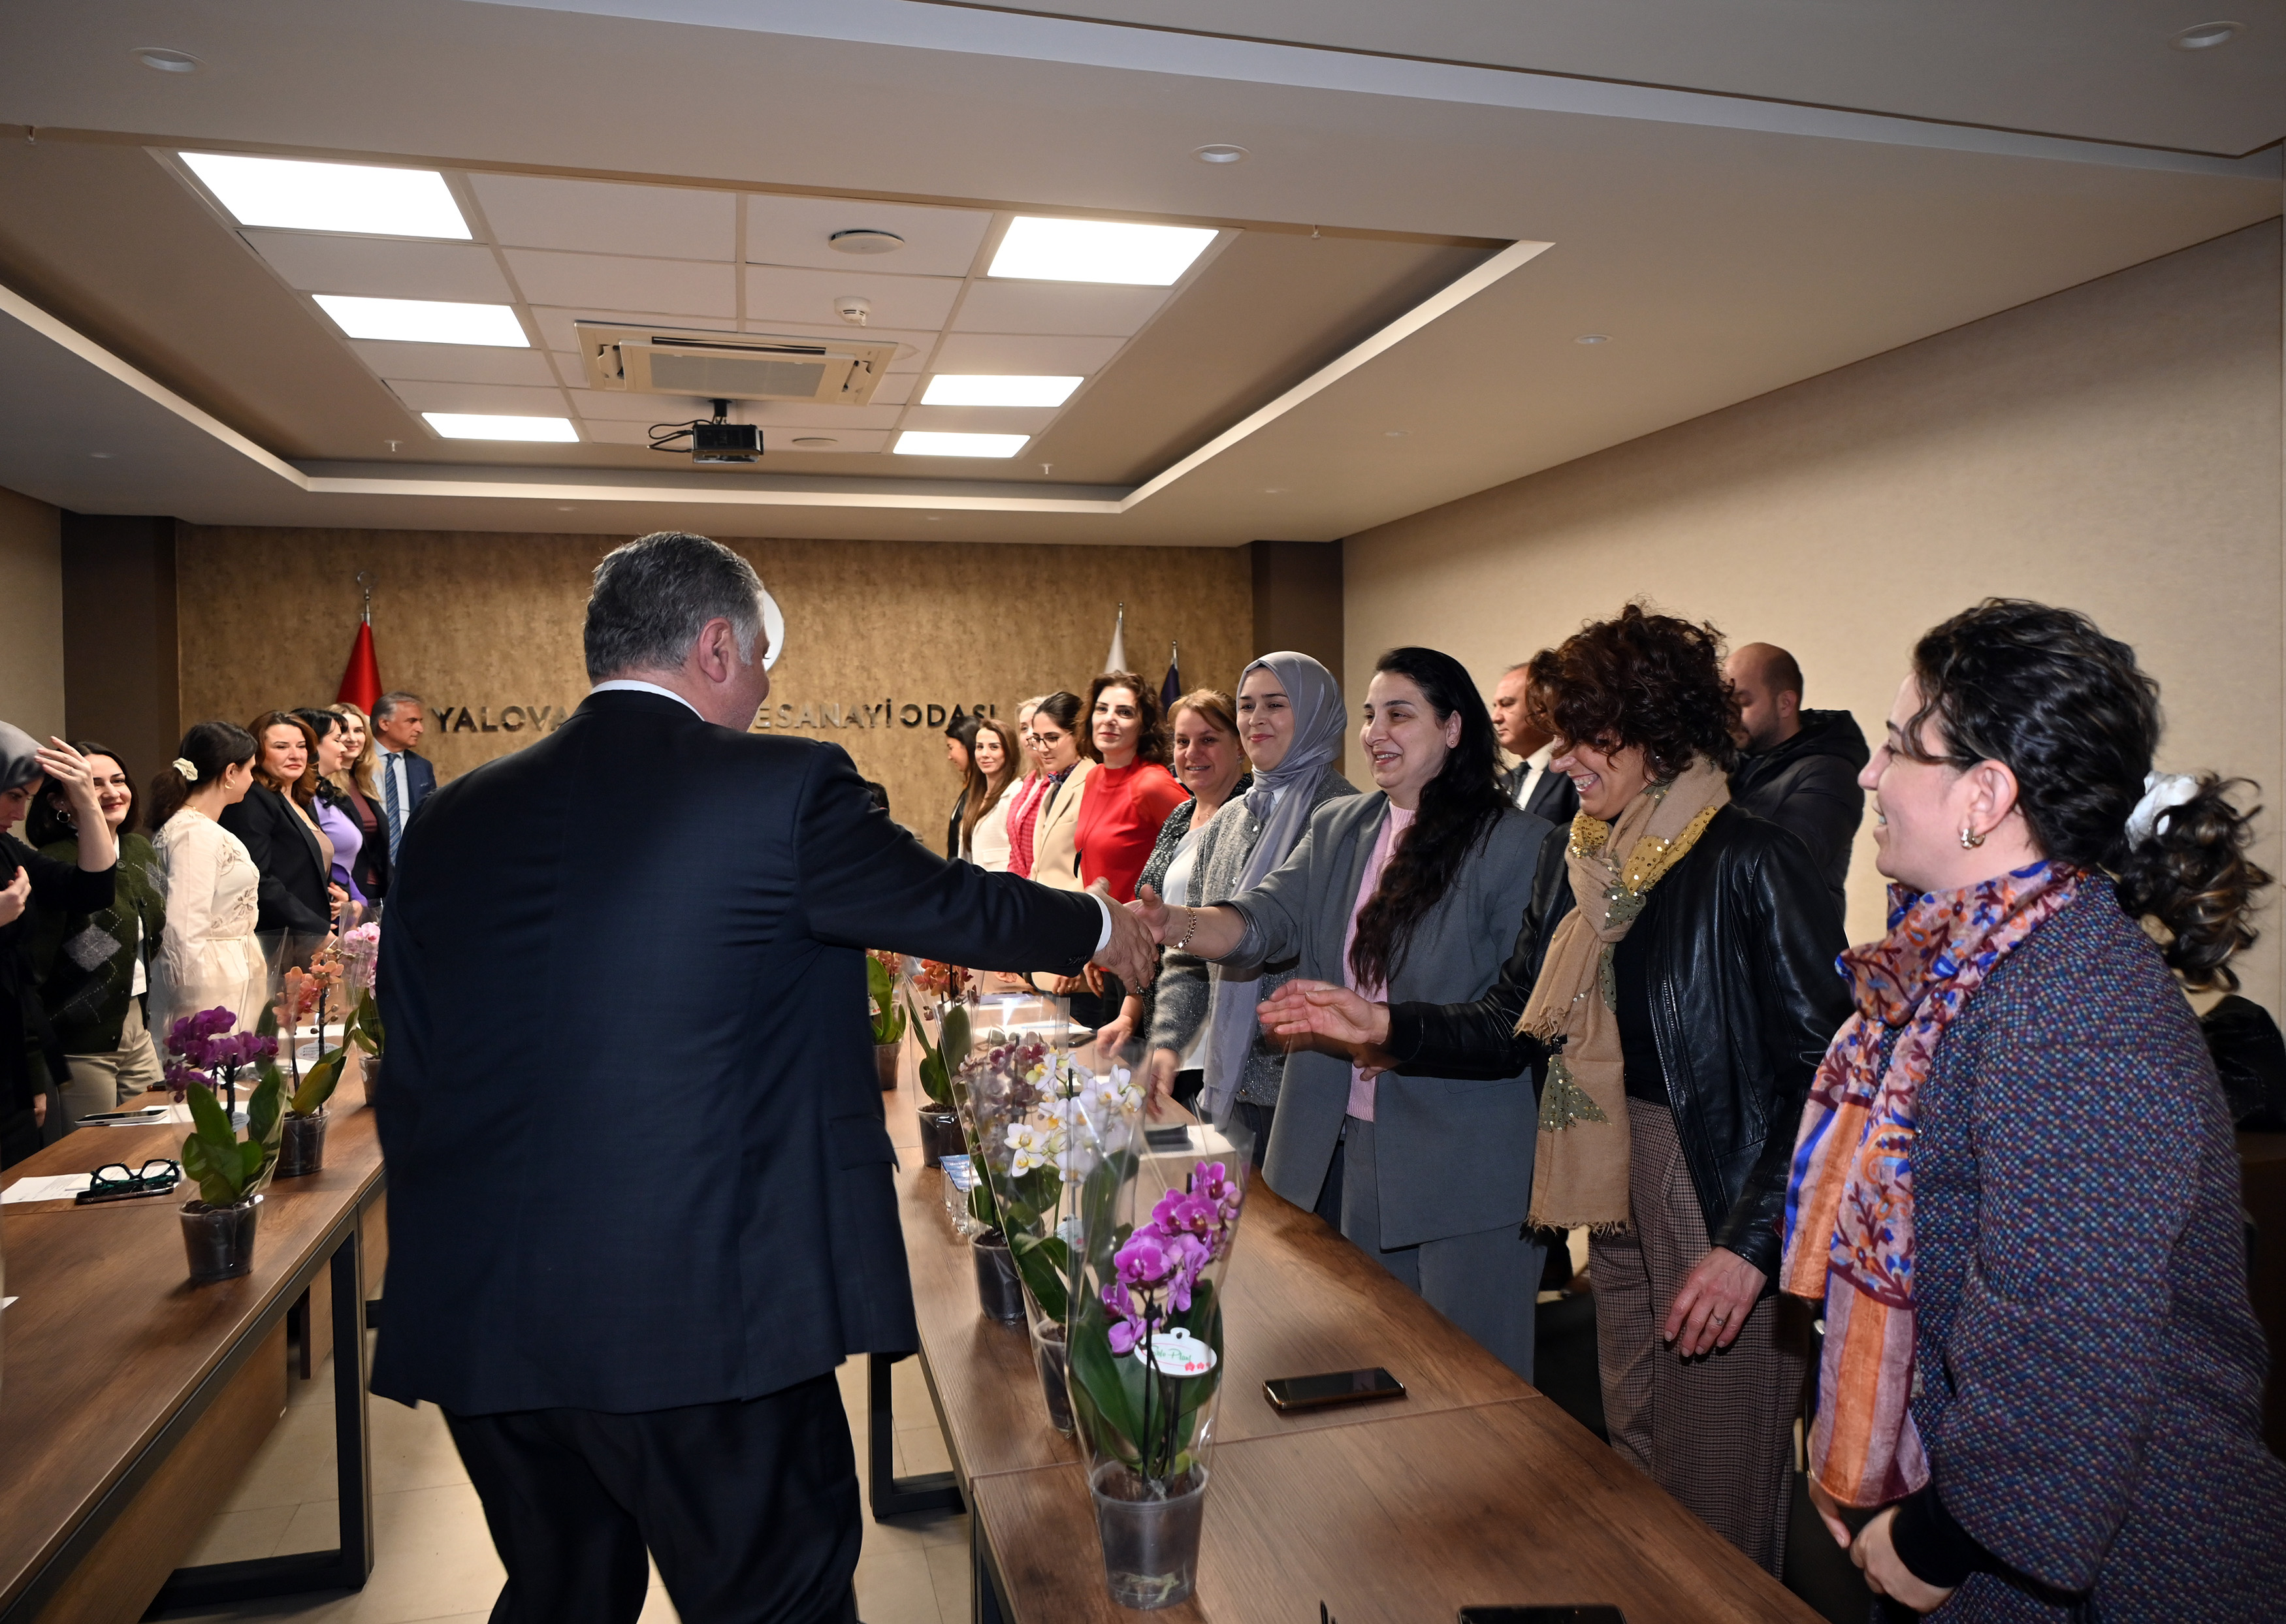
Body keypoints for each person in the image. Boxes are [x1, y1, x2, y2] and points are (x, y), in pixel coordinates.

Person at [370, 532, 1157, 1624]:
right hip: (705, 1319)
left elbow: (407, 1063)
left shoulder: (453, 817)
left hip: (484, 1319)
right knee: (774, 1603)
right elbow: (953, 904)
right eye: (760, 660)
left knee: (561, 1594)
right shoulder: (784, 788)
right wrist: (1106, 925)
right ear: (716, 646)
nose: (765, 690)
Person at [1258, 605, 1849, 1573]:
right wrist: (1383, 1025)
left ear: (1655, 731)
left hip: (1716, 1186)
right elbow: (1509, 1021)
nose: (1562, 756)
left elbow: (1829, 1076)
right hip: (1606, 1163)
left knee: (1717, 1484)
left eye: (1586, 736)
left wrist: (1749, 1246)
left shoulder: (1750, 858)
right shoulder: (1586, 860)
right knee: (1638, 1454)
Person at [1782, 599, 2286, 1619]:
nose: (1870, 774)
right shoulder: (1972, 966)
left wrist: (1935, 1536)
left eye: (1896, 746)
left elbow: (2068, 1342)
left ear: (1985, 793)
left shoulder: (2070, 1008)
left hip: (2124, 1561)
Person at [1133, 648, 1551, 1378]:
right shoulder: (1342, 826)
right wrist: (1173, 924)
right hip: (1357, 1143)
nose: (1375, 733)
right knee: (1376, 1366)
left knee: (1472, 1386)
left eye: (1399, 714)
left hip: (1463, 1159)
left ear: (1453, 728)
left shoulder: (1517, 843)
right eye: (1368, 715)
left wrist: (1381, 1023)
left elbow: (1513, 1019)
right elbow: (1260, 921)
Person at [1144, 654, 1358, 1153]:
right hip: (1230, 1083)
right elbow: (1191, 953)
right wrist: (1168, 1040)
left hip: (1312, 1088)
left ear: (1315, 713)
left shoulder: (1350, 819)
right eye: (1246, 705)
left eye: (1276, 704)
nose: (1255, 719)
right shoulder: (1225, 821)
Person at [1097, 689, 1250, 1102]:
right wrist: (1129, 1015)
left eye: (1208, 739)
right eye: (1182, 741)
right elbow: (1156, 932)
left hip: (1220, 1045)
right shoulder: (1181, 816)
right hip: (1168, 1033)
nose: (1192, 752)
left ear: (1240, 745)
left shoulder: (1253, 817)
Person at [26, 743, 166, 1124]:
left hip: (137, 1025)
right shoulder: (53, 863)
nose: (111, 792)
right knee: (94, 1150)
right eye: (93, 784)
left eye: (118, 781)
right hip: (77, 1042)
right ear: (60, 802)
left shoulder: (139, 849)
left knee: (155, 1138)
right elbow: (34, 970)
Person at [1, 725, 117, 1162]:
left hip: (11, 1053)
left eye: (27, 799)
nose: (19, 812)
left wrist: (87, 803)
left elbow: (91, 890)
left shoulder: (5, 848)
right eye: (14, 795)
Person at [1725, 641, 1867, 923]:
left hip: (1787, 947)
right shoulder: (1733, 764)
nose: (1730, 716)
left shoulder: (1830, 772)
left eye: (1742, 702)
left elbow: (1779, 868)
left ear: (1785, 703)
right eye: (1725, 704)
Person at [146, 722, 268, 1046]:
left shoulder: (204, 829)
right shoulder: (194, 834)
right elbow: (183, 924)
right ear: (230, 772)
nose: (252, 779)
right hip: (211, 975)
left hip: (229, 965)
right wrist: (188, 999)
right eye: (250, 770)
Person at [221, 710, 342, 966]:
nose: (295, 755)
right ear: (258, 753)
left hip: (308, 935)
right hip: (278, 941)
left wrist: (336, 896)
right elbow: (258, 878)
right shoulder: (253, 799)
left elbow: (305, 868)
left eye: (302, 746)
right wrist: (315, 928)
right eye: (281, 747)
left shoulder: (300, 798)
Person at [298, 709, 374, 912]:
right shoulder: (300, 799)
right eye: (337, 740)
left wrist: (357, 902)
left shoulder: (325, 794)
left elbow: (342, 865)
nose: (344, 747)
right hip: (317, 912)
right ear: (313, 744)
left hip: (341, 907)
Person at [1492, 658, 1579, 825]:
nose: (1495, 718)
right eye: (1495, 706)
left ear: (1544, 708)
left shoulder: (1576, 772)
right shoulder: (1502, 783)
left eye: (1507, 704)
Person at [1022, 691, 1091, 892]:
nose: (1043, 749)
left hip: (1075, 903)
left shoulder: (1093, 781)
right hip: (1046, 902)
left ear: (1078, 734)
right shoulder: (1054, 785)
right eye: (1037, 739)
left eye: (1052, 738)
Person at [324, 701, 391, 904]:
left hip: (375, 892)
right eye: (344, 731)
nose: (352, 738)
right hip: (342, 894)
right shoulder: (322, 786)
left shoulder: (363, 782)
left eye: (359, 731)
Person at [373, 690, 436, 867]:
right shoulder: (357, 762)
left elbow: (429, 816)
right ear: (384, 723)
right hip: (367, 865)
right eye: (412, 721)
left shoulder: (422, 767)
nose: (420, 729)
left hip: (410, 862)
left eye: (420, 722)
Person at [959, 716, 1025, 872]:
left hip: (1003, 883)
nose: (984, 754)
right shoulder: (976, 796)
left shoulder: (1017, 794)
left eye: (994, 747)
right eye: (980, 747)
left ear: (1008, 752)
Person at [1003, 696, 1053, 880]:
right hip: (1020, 888)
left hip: (1048, 887)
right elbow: (1015, 852)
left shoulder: (1061, 782)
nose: (1029, 734)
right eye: (1024, 728)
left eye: (1035, 725)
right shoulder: (1028, 783)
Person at [942, 712, 978, 859]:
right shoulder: (969, 790)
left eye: (951, 748)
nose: (949, 757)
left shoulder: (983, 794)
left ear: (967, 746)